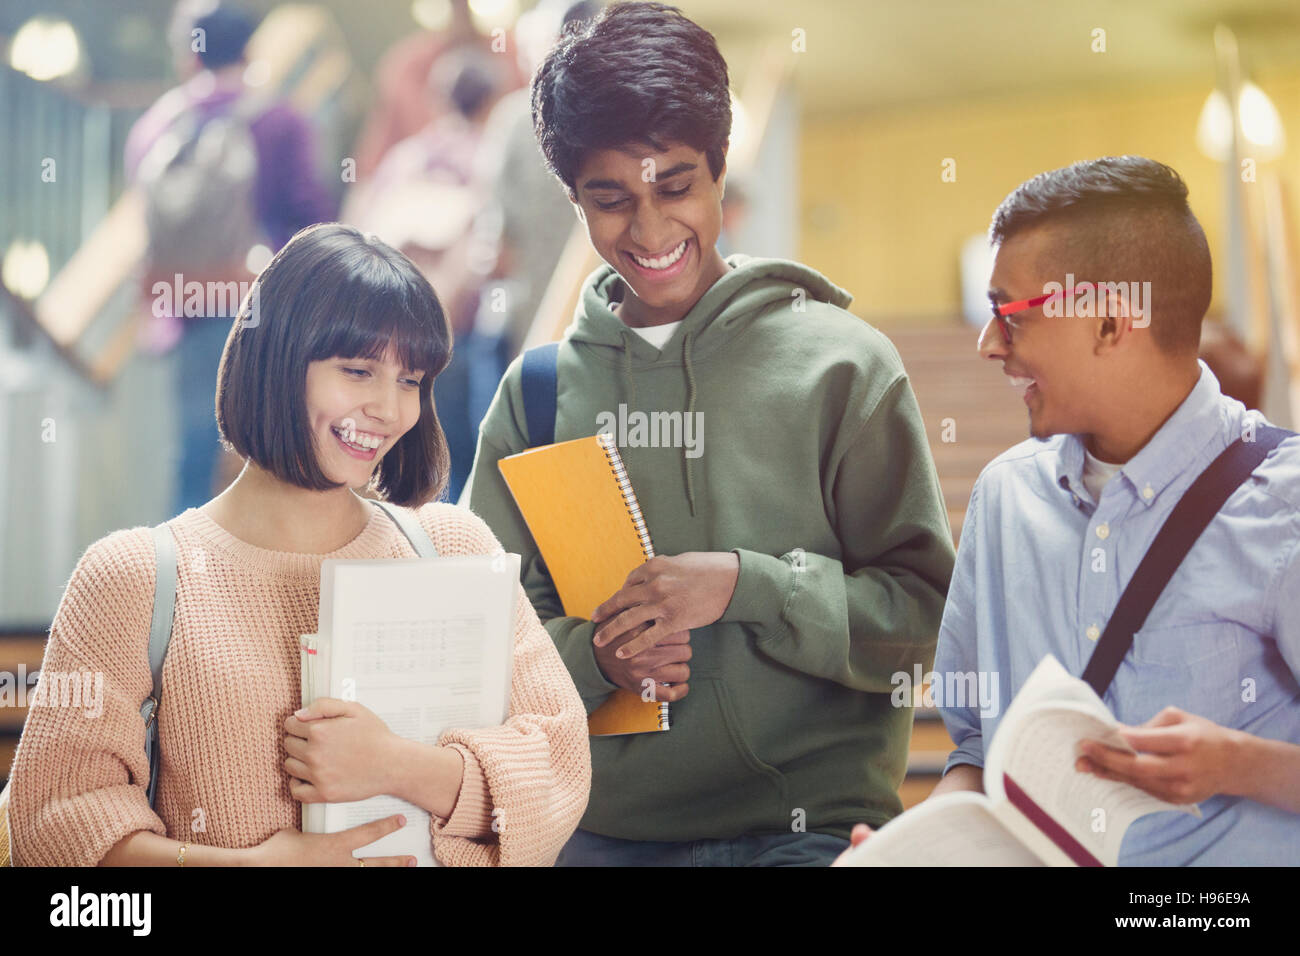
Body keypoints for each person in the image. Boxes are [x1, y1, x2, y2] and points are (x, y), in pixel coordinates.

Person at [461, 2, 954, 867]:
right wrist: (595, 662)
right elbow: (479, 630)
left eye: (676, 188)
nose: (650, 233)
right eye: (610, 201)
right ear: (572, 198)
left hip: (807, 837)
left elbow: (926, 624)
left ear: (724, 170)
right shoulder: (536, 397)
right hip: (597, 837)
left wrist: (748, 587)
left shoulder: (843, 368)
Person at [8, 223, 590, 867]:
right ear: (279, 360)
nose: (388, 409)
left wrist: (404, 767)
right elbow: (52, 824)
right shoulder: (136, 576)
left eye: (410, 380)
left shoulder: (453, 546)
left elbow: (560, 762)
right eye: (358, 370)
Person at [839, 156, 1300, 865]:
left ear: (1111, 321)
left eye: (1008, 314)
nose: (989, 344)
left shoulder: (1285, 501)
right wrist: (918, 849)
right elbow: (975, 751)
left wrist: (1237, 763)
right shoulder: (1004, 496)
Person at [126, 3, 335, 514]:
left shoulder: (157, 127)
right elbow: (312, 221)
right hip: (260, 308)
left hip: (185, 307)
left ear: (187, 56)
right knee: (266, 459)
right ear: (250, 50)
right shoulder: (279, 120)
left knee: (194, 456)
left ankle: (178, 580)